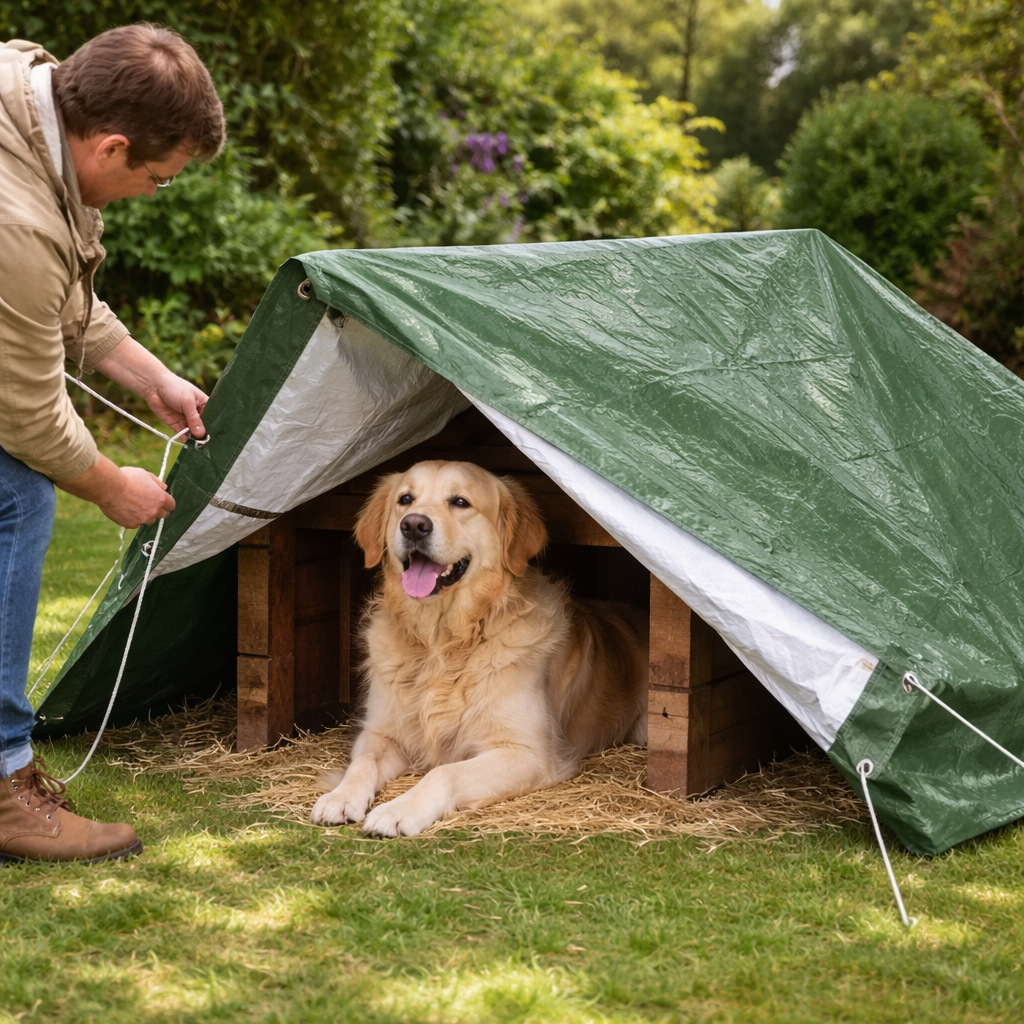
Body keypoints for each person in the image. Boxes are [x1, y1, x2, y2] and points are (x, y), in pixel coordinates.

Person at [0, 24, 225, 864]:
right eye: (157, 179)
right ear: (112, 145)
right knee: (15, 494)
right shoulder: (14, 218)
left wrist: (151, 376)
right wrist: (106, 486)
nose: (152, 193)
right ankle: (3, 784)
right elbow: (22, 411)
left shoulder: (29, 102)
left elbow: (59, 302)